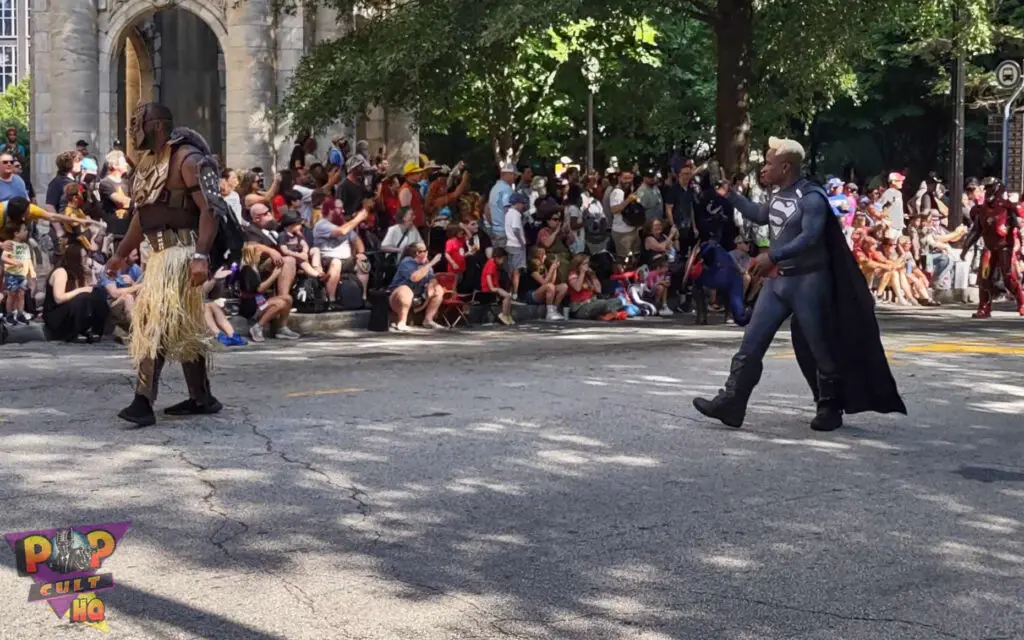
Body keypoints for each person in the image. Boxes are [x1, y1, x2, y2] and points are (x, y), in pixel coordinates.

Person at [693, 136, 906, 432]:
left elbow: (811, 237)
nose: (764, 168)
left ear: (786, 165)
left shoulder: (812, 197)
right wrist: (732, 196)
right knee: (751, 343)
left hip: (809, 282)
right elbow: (762, 215)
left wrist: (774, 255)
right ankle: (733, 401)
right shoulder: (781, 193)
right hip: (780, 282)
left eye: (769, 163)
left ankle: (829, 405)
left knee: (819, 347)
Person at [115, 102, 223, 428]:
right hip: (159, 257)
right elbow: (143, 216)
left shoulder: (188, 159)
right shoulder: (149, 163)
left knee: (154, 323)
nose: (134, 129)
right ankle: (202, 397)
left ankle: (142, 401)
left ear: (158, 126)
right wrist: (120, 253)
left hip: (183, 254)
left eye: (139, 122)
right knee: (183, 327)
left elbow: (211, 210)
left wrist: (201, 256)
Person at [960, 178, 1024, 318]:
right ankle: (984, 308)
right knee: (984, 277)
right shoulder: (981, 210)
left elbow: (1019, 226)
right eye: (986, 187)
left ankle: (1022, 303)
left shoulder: (1009, 207)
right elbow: (976, 230)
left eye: (990, 187)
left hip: (1006, 246)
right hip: (989, 246)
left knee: (1009, 277)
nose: (988, 190)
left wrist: (1019, 244)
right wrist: (965, 248)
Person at [43, 243, 109, 342]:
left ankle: (96, 330)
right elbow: (59, 298)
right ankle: (75, 332)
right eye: (83, 257)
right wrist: (81, 290)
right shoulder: (61, 272)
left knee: (98, 293)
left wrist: (89, 277)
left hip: (72, 310)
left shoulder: (79, 273)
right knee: (82, 298)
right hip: (56, 314)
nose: (86, 260)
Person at [387, 242, 444, 331]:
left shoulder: (426, 264)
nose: (427, 253)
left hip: (419, 296)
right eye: (425, 251)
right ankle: (402, 322)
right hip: (398, 297)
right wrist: (432, 263)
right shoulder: (407, 262)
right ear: (418, 253)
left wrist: (431, 285)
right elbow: (414, 277)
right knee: (406, 290)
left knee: (438, 289)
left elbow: (433, 278)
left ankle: (428, 320)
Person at [2, 221, 33, 324]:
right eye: (24, 230)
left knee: (21, 294)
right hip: (12, 274)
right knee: (12, 294)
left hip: (22, 274)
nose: (27, 232)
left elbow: (27, 260)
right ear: (16, 233)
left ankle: (20, 313)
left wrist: (31, 274)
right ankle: (9, 314)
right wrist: (14, 262)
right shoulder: (10, 244)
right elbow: (3, 257)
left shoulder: (25, 246)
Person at [481, 247, 515, 325]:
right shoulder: (491, 263)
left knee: (509, 296)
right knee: (507, 296)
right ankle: (503, 314)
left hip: (495, 287)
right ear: (497, 257)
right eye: (503, 259)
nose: (503, 261)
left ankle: (508, 315)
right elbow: (488, 275)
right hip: (489, 288)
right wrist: (492, 288)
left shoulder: (494, 264)